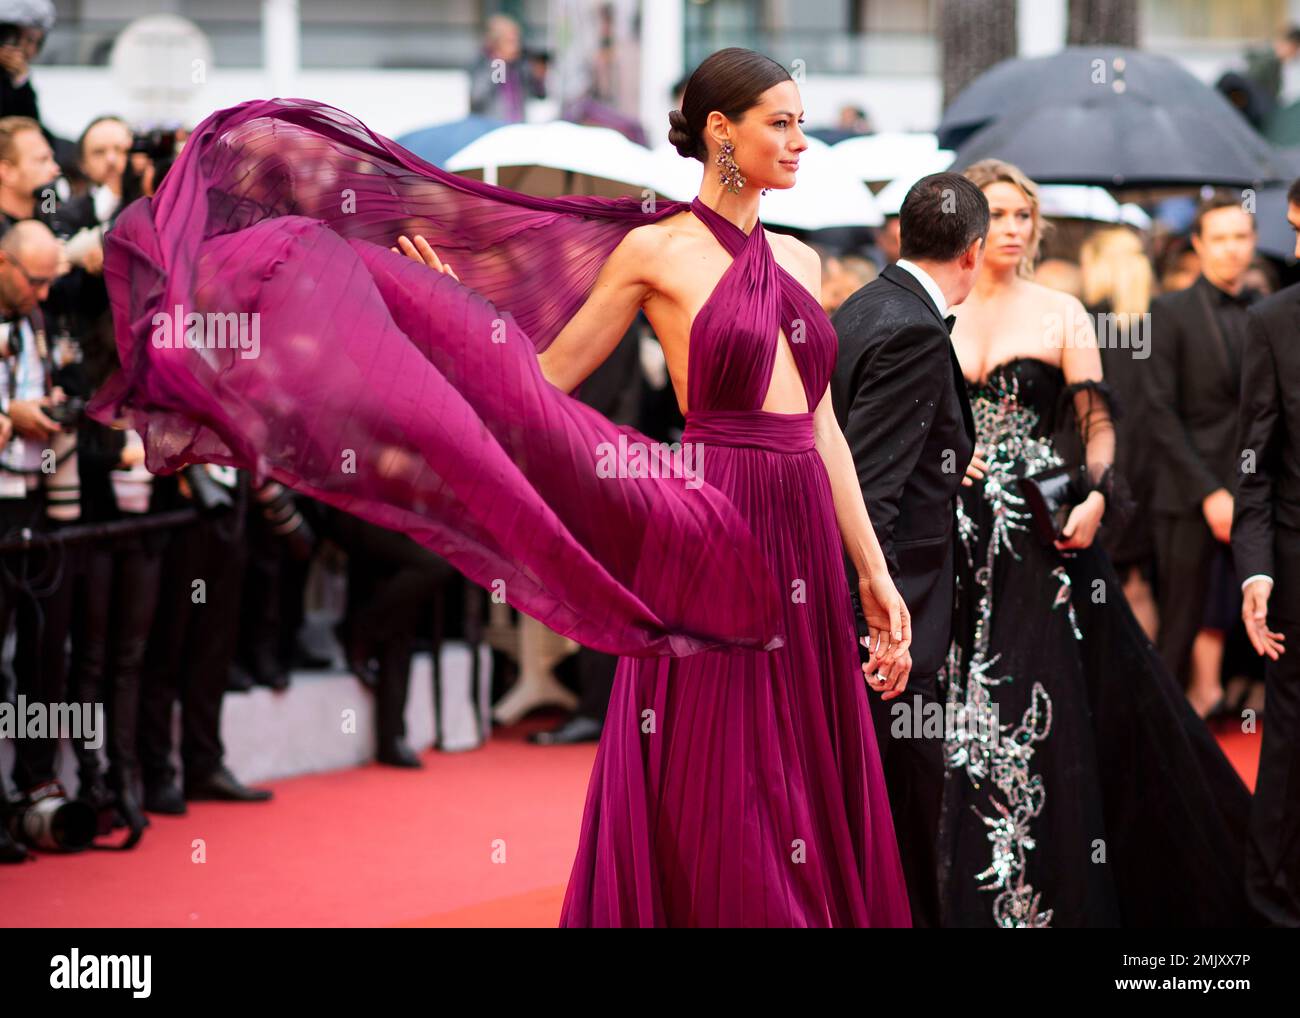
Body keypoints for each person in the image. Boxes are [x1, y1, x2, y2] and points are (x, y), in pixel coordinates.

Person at [89, 49, 913, 927]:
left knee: (804, 753)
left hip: (805, 539)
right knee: (724, 760)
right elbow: (545, 381)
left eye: (799, 123)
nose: (800, 142)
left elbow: (822, 428)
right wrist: (458, 322)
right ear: (721, 131)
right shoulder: (654, 251)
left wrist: (871, 571)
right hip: (717, 516)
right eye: (780, 123)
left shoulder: (798, 261)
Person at [941, 159, 1252, 927]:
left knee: (1053, 705)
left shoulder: (1062, 312)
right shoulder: (932, 313)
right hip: (948, 542)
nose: (1011, 228)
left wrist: (1096, 495)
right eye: (997, 213)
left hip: (1046, 540)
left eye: (1022, 215)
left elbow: (1098, 424)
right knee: (950, 708)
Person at [830, 171, 986, 926]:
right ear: (976, 251)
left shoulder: (863, 304)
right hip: (895, 620)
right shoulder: (917, 331)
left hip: (880, 608)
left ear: (901, 235)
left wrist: (951, 456)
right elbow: (869, 487)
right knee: (904, 809)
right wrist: (884, 626)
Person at [1146, 195, 1260, 716]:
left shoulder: (1267, 305)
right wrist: (1209, 493)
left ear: (1254, 242)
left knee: (1264, 618)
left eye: (1240, 237)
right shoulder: (1168, 312)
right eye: (1219, 239)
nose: (1231, 250)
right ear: (1198, 244)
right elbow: (1158, 413)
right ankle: (1159, 759)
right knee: (1181, 625)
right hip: (1187, 494)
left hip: (1257, 489)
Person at [1231, 177, 1300, 927]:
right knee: (1287, 744)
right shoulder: (1273, 322)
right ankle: (1273, 909)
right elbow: (1255, 461)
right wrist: (1257, 568)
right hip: (1295, 563)